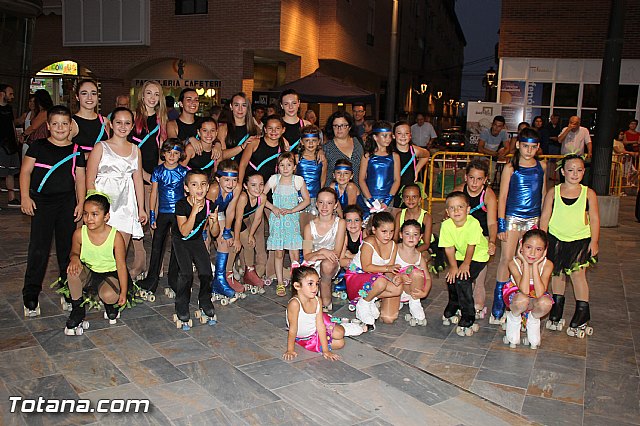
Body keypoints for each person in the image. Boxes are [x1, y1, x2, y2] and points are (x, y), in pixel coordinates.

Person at [19, 105, 86, 317]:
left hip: (67, 203)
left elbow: (81, 180)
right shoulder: (38, 146)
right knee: (39, 249)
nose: (60, 128)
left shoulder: (77, 151)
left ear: (70, 126)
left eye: (64, 124)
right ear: (48, 126)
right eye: (55, 124)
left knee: (67, 250)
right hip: (42, 204)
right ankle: (31, 294)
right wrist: (25, 197)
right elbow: (25, 172)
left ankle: (68, 290)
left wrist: (81, 203)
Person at [540, 154, 599, 338]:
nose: (575, 174)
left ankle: (582, 313)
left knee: (577, 275)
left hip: (579, 240)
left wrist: (594, 241)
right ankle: (557, 309)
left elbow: (595, 218)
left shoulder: (588, 193)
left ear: (583, 172)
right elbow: (545, 217)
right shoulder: (554, 192)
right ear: (563, 171)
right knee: (557, 275)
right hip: (556, 238)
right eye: (570, 170)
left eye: (579, 170)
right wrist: (542, 240)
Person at [491, 128, 546, 325]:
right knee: (506, 258)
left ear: (538, 147)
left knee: (527, 261)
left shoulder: (541, 167)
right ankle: (499, 301)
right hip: (513, 217)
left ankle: (523, 301)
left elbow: (543, 196)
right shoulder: (510, 167)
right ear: (518, 145)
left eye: (533, 147)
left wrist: (542, 224)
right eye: (525, 146)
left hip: (533, 220)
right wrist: (501, 224)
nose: (529, 150)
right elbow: (503, 196)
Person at [86, 107, 148, 279]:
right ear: (111, 125)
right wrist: (94, 208)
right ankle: (97, 282)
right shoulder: (101, 147)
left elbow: (137, 180)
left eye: (127, 123)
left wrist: (141, 208)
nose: (123, 126)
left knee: (120, 249)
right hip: (103, 200)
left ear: (132, 126)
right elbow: (90, 178)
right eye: (118, 122)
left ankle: (116, 284)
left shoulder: (136, 150)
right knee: (100, 246)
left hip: (126, 203)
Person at [64, 194, 132, 335]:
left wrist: (124, 292)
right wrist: (75, 258)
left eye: (95, 214)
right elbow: (74, 252)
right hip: (89, 271)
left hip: (109, 273)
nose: (89, 219)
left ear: (106, 216)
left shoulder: (115, 236)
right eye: (86, 214)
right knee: (73, 270)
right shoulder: (79, 234)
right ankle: (78, 309)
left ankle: (110, 304)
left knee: (109, 295)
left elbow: (121, 265)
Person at [136, 139, 187, 300]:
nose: (172, 156)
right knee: (157, 246)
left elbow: (187, 194)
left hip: (179, 213)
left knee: (177, 246)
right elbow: (153, 193)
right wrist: (152, 214)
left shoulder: (184, 171)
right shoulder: (158, 171)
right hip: (163, 212)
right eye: (169, 152)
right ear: (163, 153)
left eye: (176, 153)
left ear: (180, 155)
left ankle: (174, 278)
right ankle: (152, 279)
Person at [129, 81, 169, 280]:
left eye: (156, 94)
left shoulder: (162, 120)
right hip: (134, 176)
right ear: (141, 96)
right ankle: (140, 260)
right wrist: (143, 175)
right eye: (149, 93)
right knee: (136, 220)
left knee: (155, 222)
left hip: (154, 179)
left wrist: (159, 176)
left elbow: (163, 151)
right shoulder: (132, 118)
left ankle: (157, 263)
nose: (152, 97)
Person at [283, 266, 365, 361]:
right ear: (297, 286)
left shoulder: (317, 300)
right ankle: (336, 325)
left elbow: (320, 325)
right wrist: (290, 349)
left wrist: (326, 350)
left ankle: (344, 326)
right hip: (308, 337)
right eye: (310, 284)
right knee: (340, 343)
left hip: (320, 323)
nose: (315, 288)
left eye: (317, 284)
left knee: (340, 333)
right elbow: (293, 328)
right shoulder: (295, 304)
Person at [172, 169, 220, 329]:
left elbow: (214, 233)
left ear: (207, 188)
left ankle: (205, 300)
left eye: (203, 184)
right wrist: (194, 211)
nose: (199, 188)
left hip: (197, 240)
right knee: (186, 274)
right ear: (186, 188)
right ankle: (182, 305)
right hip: (181, 241)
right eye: (194, 184)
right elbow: (184, 231)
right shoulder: (181, 205)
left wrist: (214, 222)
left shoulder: (209, 204)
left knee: (206, 272)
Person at [439, 191, 489, 336]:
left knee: (463, 280)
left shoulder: (473, 223)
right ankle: (454, 305)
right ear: (447, 212)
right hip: (460, 254)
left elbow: (471, 247)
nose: (456, 211)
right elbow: (448, 248)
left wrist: (465, 265)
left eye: (460, 207)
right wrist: (453, 267)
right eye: (452, 208)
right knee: (451, 278)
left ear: (467, 209)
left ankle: (468, 316)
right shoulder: (446, 225)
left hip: (478, 255)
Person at [453, 159, 497, 319]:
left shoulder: (488, 195)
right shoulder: (459, 191)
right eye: (471, 178)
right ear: (465, 177)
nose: (475, 182)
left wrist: (492, 241)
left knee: (478, 275)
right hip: (462, 239)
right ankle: (463, 301)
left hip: (480, 240)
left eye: (479, 179)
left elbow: (492, 222)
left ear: (485, 180)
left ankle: (477, 302)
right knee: (461, 274)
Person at [263, 152, 310, 297]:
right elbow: (261, 196)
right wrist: (273, 208)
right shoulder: (273, 180)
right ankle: (280, 282)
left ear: (294, 167)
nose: (285, 168)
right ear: (278, 167)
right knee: (278, 252)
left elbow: (306, 200)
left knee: (294, 253)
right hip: (277, 221)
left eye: (289, 165)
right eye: (282, 165)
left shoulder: (298, 180)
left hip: (292, 220)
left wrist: (292, 210)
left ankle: (296, 282)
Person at [345, 212, 403, 325]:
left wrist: (394, 278)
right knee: (380, 282)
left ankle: (370, 298)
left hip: (375, 277)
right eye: (384, 231)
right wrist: (388, 269)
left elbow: (389, 271)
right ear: (374, 230)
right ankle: (363, 304)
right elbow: (367, 267)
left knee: (398, 288)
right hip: (356, 277)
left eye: (391, 231)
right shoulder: (369, 242)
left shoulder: (393, 245)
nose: (388, 235)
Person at [502, 229, 554, 349]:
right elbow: (524, 290)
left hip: (535, 297)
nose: (532, 253)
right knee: (522, 299)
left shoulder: (547, 264)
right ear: (521, 245)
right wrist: (525, 264)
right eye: (528, 247)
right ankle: (514, 318)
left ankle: (533, 320)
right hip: (517, 296)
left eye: (538, 249)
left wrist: (535, 266)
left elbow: (540, 292)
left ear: (545, 251)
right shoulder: (513, 263)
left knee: (546, 303)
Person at [302, 188, 346, 311]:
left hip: (331, 262)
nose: (324, 206)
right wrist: (321, 252)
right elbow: (306, 256)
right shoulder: (308, 227)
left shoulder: (340, 223)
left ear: (335, 205)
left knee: (326, 265)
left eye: (329, 203)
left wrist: (317, 254)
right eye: (321, 202)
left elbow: (336, 252)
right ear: (316, 203)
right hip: (313, 261)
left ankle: (326, 300)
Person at [208, 160, 245, 303]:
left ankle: (220, 280)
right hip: (205, 216)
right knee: (204, 244)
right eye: (227, 180)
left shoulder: (237, 188)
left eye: (234, 180)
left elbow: (230, 210)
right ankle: (207, 281)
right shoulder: (213, 189)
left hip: (219, 214)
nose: (231, 184)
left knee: (225, 243)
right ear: (218, 179)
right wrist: (205, 231)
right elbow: (206, 211)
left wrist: (227, 230)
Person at [232, 171, 268, 293]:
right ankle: (227, 274)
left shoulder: (262, 197)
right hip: (230, 220)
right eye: (253, 185)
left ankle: (249, 272)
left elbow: (258, 218)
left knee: (249, 243)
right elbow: (238, 220)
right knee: (234, 247)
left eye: (261, 184)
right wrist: (237, 239)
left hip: (240, 221)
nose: (258, 188)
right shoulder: (243, 197)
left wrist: (251, 234)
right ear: (246, 186)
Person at [394, 219, 431, 326]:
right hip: (395, 286)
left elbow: (427, 278)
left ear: (420, 238)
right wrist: (400, 276)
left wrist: (424, 292)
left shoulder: (419, 256)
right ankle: (395, 300)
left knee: (417, 273)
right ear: (401, 235)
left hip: (410, 288)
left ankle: (414, 302)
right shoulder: (394, 249)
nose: (411, 238)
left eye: (415, 234)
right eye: (407, 234)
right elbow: (385, 269)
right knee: (388, 317)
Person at [358, 121, 401, 213]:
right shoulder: (367, 156)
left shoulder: (394, 156)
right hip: (369, 197)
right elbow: (361, 179)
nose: (388, 139)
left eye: (390, 136)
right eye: (384, 136)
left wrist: (387, 200)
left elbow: (397, 180)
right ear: (375, 137)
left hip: (387, 198)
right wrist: (371, 200)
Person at [238, 114, 288, 186]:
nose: (273, 131)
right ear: (265, 129)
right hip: (251, 184)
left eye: (277, 128)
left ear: (283, 130)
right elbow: (243, 164)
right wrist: (239, 184)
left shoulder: (283, 148)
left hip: (270, 186)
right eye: (270, 128)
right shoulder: (255, 143)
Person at [393, 120, 429, 207]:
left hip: (408, 188)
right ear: (393, 136)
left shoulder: (414, 150)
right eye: (399, 133)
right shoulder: (390, 151)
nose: (403, 136)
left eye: (406, 133)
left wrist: (416, 169)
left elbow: (426, 155)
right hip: (393, 188)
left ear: (410, 136)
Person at [323, 111, 365, 187]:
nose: (339, 129)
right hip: (334, 193)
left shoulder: (359, 142)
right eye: (335, 126)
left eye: (342, 125)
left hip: (357, 192)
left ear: (349, 127)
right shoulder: (326, 148)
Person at [296, 124, 327, 224]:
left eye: (314, 140)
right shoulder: (297, 158)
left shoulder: (321, 159)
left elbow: (322, 179)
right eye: (307, 141)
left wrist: (319, 196)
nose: (310, 143)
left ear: (318, 142)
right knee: (299, 225)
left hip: (315, 197)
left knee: (313, 226)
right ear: (301, 142)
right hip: (298, 197)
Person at [70, 79, 109, 158]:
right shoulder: (71, 123)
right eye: (84, 93)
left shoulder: (104, 121)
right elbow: (65, 155)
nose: (89, 97)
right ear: (77, 97)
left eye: (93, 93)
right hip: (81, 169)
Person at [216, 92, 259, 162]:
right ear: (231, 106)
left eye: (244, 105)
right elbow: (221, 155)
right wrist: (242, 146)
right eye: (236, 105)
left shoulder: (255, 129)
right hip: (229, 170)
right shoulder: (223, 128)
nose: (240, 109)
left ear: (248, 108)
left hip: (249, 170)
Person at [393, 184, 432, 259]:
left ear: (420, 199)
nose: (410, 200)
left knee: (423, 257)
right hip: (404, 245)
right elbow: (395, 239)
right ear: (403, 199)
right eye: (407, 197)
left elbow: (426, 244)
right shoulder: (399, 215)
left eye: (414, 197)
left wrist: (412, 252)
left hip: (420, 247)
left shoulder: (426, 217)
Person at [0, 84, 20, 207]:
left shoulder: (8, 109)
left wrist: (16, 139)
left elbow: (12, 124)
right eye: (10, 93)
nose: (12, 96)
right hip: (1, 144)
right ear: (2, 94)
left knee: (11, 171)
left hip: (11, 145)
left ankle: (12, 198)